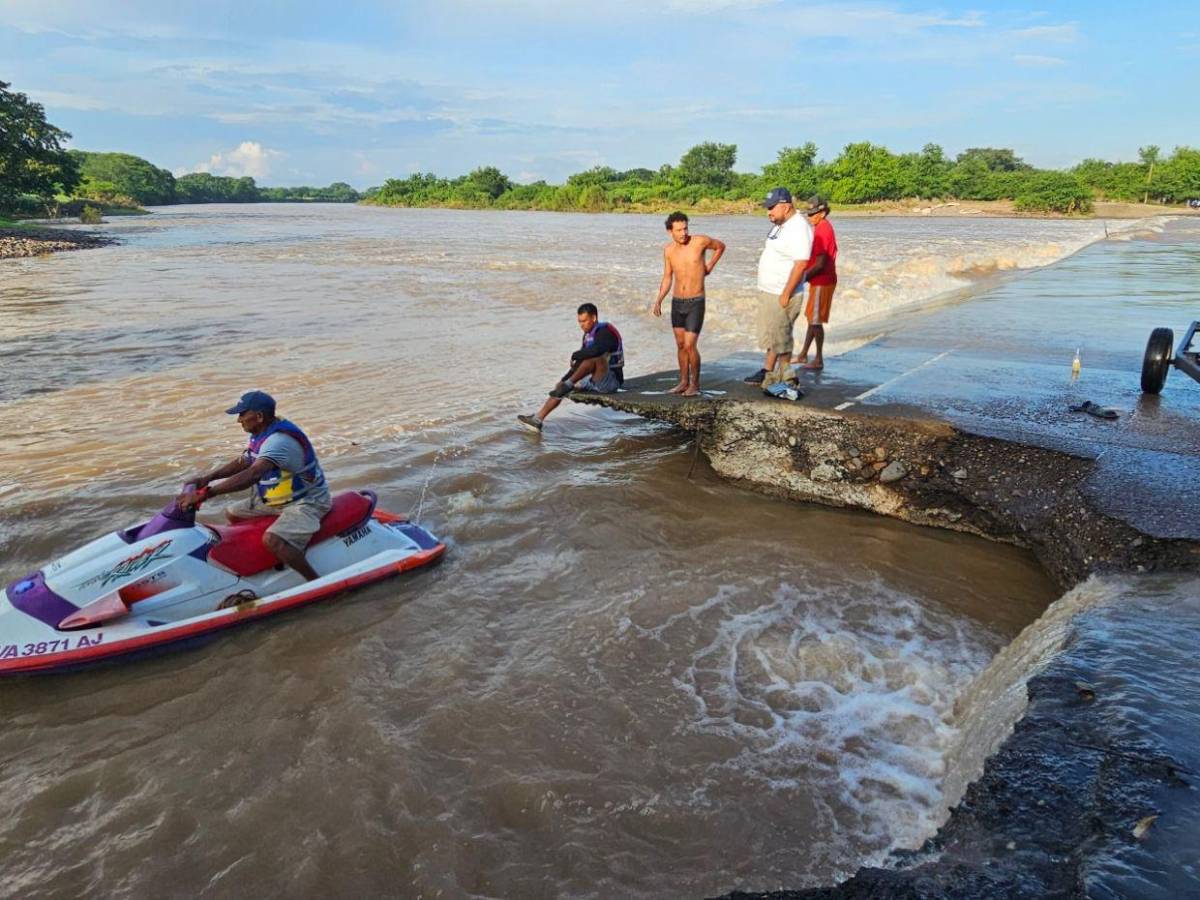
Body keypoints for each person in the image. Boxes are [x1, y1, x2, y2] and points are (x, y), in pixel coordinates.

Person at [177, 390, 332, 582]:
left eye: (242, 414)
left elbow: (253, 473)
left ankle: (315, 581)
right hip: (277, 500)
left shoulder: (279, 441)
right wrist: (208, 478)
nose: (238, 420)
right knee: (232, 513)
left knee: (273, 540)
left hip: (307, 502)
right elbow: (245, 461)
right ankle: (257, 560)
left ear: (259, 416)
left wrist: (207, 494)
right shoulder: (260, 434)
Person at [518, 303, 624, 433]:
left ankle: (568, 384)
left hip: (610, 383)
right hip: (593, 381)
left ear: (594, 318)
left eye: (584, 321)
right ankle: (537, 419)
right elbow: (580, 364)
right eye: (579, 321)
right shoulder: (587, 336)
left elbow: (597, 350)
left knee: (596, 357)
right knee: (561, 387)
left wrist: (576, 354)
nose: (581, 325)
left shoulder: (605, 331)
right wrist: (564, 380)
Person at [652, 211, 725, 396]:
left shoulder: (700, 241)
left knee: (690, 345)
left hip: (696, 302)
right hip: (677, 302)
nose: (683, 233)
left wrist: (709, 266)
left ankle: (695, 384)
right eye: (679, 230)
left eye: (685, 228)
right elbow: (667, 277)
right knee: (680, 345)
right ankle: (683, 382)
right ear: (670, 231)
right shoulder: (668, 251)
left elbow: (720, 246)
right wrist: (659, 299)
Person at [745, 187, 812, 387]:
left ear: (786, 206)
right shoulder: (781, 224)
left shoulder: (799, 228)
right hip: (769, 290)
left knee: (782, 337)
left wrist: (786, 293)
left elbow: (801, 264)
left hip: (782, 293)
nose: (768, 212)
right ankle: (768, 371)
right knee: (773, 335)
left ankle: (787, 378)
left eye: (772, 208)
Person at [794, 195, 838, 370]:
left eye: (813, 214)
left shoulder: (822, 230)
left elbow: (820, 264)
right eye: (808, 214)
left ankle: (818, 359)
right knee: (812, 319)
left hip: (822, 280)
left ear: (823, 213)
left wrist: (801, 278)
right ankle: (804, 354)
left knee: (815, 321)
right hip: (819, 281)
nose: (809, 217)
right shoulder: (821, 227)